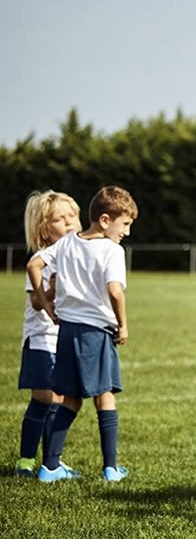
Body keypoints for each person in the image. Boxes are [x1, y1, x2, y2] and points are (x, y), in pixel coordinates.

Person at [27, 185, 138, 483]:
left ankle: (50, 468)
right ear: (104, 220)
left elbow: (33, 264)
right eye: (124, 224)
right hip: (96, 334)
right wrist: (123, 324)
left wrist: (46, 302)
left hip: (67, 334)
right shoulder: (112, 250)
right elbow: (115, 290)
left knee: (71, 400)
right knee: (105, 397)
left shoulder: (66, 244)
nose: (126, 232)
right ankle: (111, 468)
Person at [15, 191, 82, 478]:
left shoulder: (74, 256)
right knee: (46, 398)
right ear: (44, 228)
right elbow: (35, 301)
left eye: (73, 216)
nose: (69, 223)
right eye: (60, 219)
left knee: (54, 398)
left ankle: (49, 462)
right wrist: (52, 290)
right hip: (42, 337)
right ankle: (29, 461)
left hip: (63, 339)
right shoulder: (44, 259)